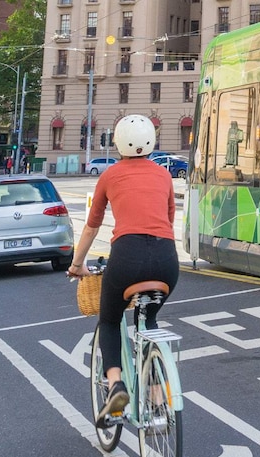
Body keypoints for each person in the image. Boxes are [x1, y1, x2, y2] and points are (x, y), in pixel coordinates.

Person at [66, 114, 179, 428]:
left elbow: (91, 227)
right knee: (149, 320)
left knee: (110, 319)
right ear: (151, 141)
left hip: (126, 258)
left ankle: (116, 386)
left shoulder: (110, 175)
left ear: (117, 143)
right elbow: (168, 222)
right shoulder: (163, 175)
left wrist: (77, 265)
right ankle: (158, 400)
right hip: (167, 260)